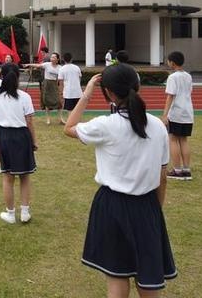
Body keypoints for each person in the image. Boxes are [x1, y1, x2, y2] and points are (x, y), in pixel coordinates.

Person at [63, 64, 177, 297]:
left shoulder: (105, 125)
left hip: (112, 206)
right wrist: (155, 210)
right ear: (138, 87)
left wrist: (87, 94)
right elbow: (162, 176)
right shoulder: (157, 126)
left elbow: (69, 127)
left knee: (117, 277)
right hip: (147, 206)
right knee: (148, 281)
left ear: (110, 93)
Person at [0, 65, 38, 224]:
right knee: (24, 176)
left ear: (2, 76)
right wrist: (34, 141)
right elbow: (29, 121)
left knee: (8, 177)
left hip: (4, 136)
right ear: (17, 77)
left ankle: (10, 214)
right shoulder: (24, 96)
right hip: (21, 136)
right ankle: (24, 212)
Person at [162, 51, 194, 181]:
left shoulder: (173, 77)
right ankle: (186, 170)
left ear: (172, 63)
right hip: (187, 112)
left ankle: (177, 170)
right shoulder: (188, 76)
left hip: (177, 112)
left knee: (173, 139)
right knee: (184, 140)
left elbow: (170, 95)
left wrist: (165, 114)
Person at [31, 52, 62, 125]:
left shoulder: (60, 67)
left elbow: (60, 78)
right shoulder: (47, 64)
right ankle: (48, 119)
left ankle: (61, 119)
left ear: (57, 59)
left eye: (54, 57)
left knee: (58, 102)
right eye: (51, 57)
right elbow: (38, 65)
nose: (52, 58)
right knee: (47, 101)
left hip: (54, 84)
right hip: (46, 84)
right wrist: (29, 65)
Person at [57, 52, 82, 125]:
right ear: (72, 59)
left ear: (63, 59)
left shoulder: (62, 69)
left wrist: (61, 92)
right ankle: (78, 122)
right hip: (78, 91)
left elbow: (60, 82)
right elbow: (79, 78)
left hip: (68, 92)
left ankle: (71, 123)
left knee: (70, 109)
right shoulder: (77, 67)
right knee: (78, 108)